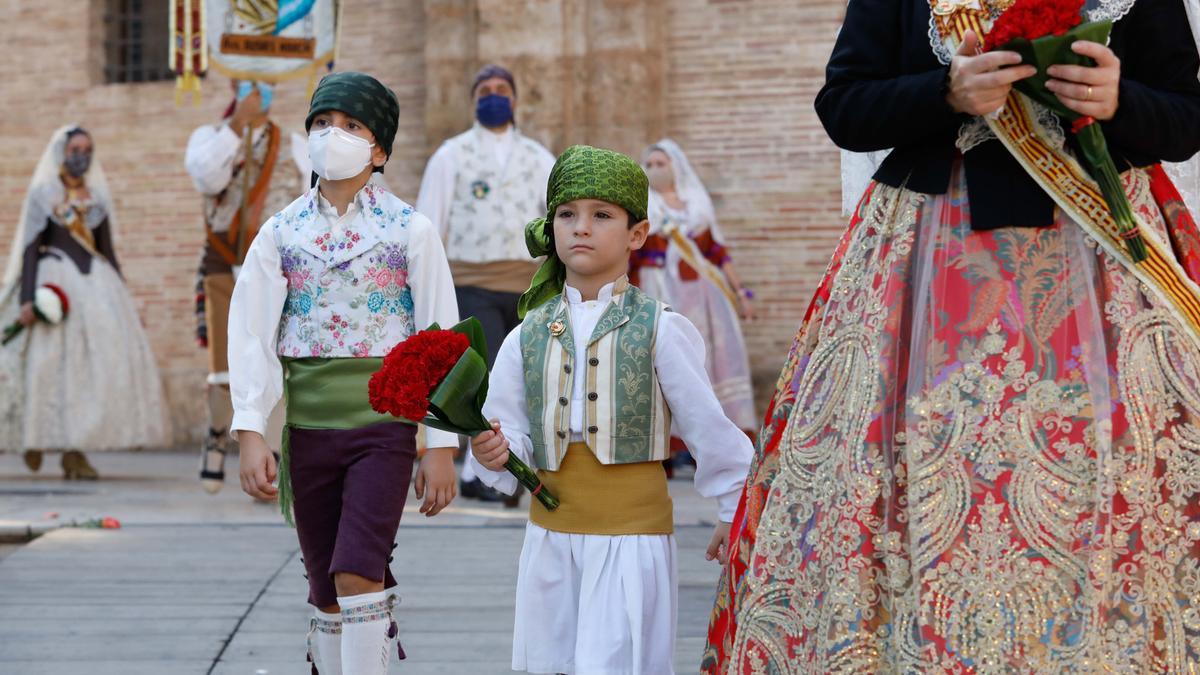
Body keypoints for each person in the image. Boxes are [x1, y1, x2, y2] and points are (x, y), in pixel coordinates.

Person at [704, 0, 1200, 672]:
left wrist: (1119, 99)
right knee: (909, 473)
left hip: (1100, 265)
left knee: (1120, 474)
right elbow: (844, 106)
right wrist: (946, 91)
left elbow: (1184, 117)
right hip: (928, 266)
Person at [468, 145, 753, 674]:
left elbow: (707, 425)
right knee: (550, 662)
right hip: (549, 540)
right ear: (550, 226)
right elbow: (510, 434)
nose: (581, 227)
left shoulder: (661, 327)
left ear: (636, 234)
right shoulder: (527, 333)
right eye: (567, 214)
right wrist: (494, 451)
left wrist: (733, 509)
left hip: (631, 541)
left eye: (602, 215)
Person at [229, 71, 460, 674]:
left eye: (353, 126)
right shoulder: (280, 233)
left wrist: (439, 443)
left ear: (379, 149)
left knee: (356, 568)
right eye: (323, 123)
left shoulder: (412, 229)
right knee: (326, 588)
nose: (335, 135)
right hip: (306, 434)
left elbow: (440, 340)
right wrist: (251, 430)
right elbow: (251, 333)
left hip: (383, 432)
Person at [416, 64, 556, 505]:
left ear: (514, 99)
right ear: (473, 99)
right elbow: (429, 222)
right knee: (487, 381)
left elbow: (558, 220)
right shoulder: (451, 155)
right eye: (484, 90)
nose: (493, 96)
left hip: (525, 284)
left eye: (501, 90)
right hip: (472, 281)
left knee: (526, 379)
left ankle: (525, 466)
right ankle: (485, 473)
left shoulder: (539, 157)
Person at [0, 126, 168, 478]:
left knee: (84, 375)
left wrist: (123, 297)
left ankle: (74, 452)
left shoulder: (97, 198)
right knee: (47, 368)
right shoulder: (44, 194)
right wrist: (28, 299)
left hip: (96, 286)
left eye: (88, 148)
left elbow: (106, 250)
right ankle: (35, 440)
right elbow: (31, 248)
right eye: (76, 148)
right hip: (54, 279)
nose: (82, 155)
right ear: (62, 152)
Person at [184, 80, 306, 494]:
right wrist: (238, 124)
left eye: (267, 86)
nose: (261, 93)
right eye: (252, 86)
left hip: (275, 267)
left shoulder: (293, 143)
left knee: (275, 358)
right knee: (224, 361)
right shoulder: (210, 138)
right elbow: (206, 178)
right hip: (223, 262)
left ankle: (269, 457)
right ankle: (218, 435)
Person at [633, 139, 757, 455]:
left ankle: (713, 442)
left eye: (662, 164)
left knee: (710, 360)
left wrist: (740, 292)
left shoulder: (697, 205)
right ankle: (670, 446)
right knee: (666, 361)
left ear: (676, 167)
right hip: (658, 290)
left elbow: (716, 252)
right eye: (650, 165)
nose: (656, 170)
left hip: (702, 296)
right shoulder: (642, 206)